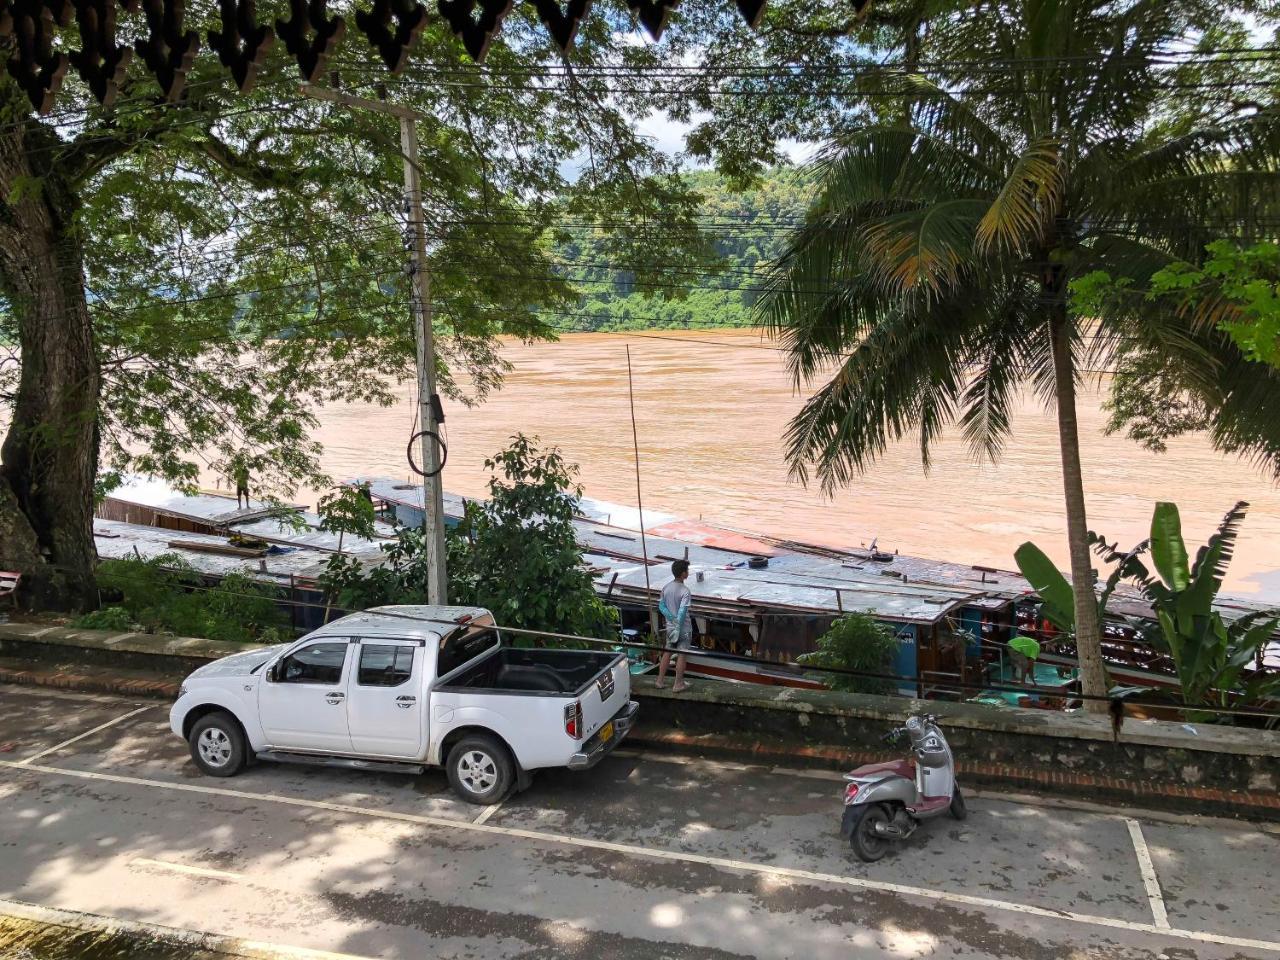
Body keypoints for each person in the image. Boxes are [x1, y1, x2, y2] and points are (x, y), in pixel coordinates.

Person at [655, 559, 693, 692]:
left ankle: (659, 680)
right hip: (684, 628)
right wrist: (678, 623)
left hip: (670, 627)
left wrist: (671, 619)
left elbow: (661, 606)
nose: (688, 572)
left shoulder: (666, 587)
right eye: (687, 570)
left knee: (667, 652)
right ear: (683, 573)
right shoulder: (685, 591)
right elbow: (682, 611)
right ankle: (678, 683)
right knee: (682, 654)